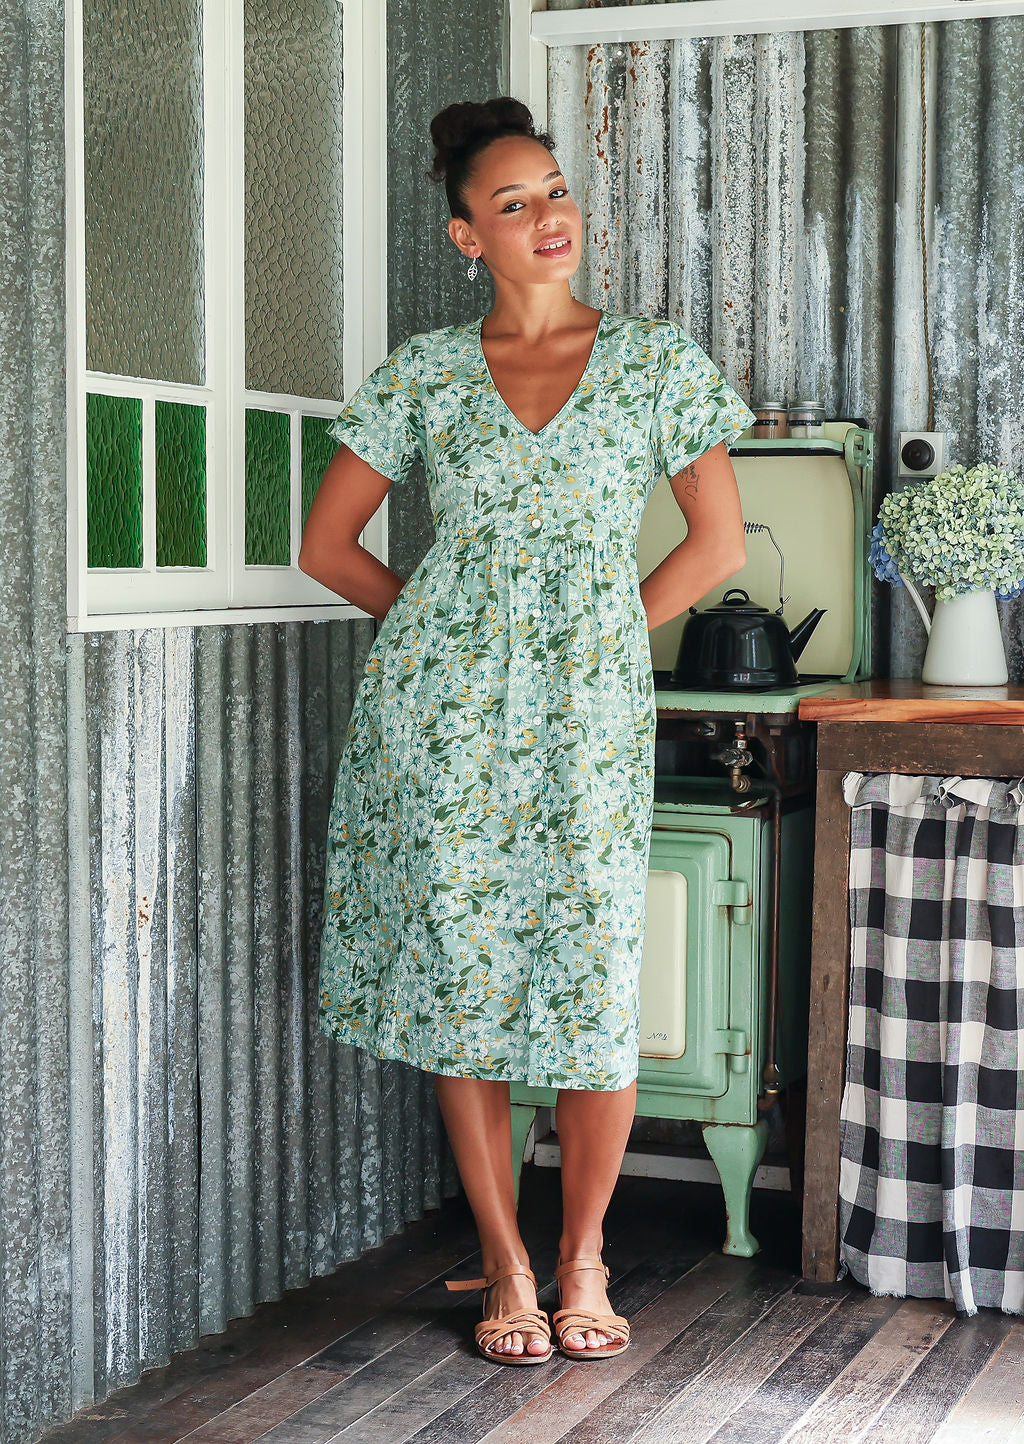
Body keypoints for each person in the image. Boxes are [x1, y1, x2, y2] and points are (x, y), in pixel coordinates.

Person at [299, 96, 754, 1366]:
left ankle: (582, 1256)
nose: (548, 216)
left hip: (587, 721)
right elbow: (326, 548)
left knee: (595, 981)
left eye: (554, 190)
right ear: (466, 237)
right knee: (466, 987)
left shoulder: (656, 360)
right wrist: (445, 636)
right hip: (443, 727)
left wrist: (600, 636)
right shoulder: (425, 373)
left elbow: (714, 543)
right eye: (513, 203)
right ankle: (503, 1261)